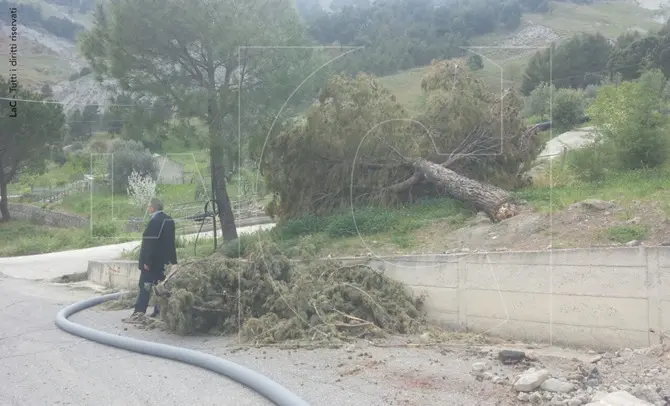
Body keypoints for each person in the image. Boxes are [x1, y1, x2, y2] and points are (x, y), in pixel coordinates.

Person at [128, 197, 177, 321]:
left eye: (149, 206)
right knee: (161, 287)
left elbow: (150, 244)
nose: (147, 208)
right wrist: (172, 262)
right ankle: (159, 311)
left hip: (152, 264)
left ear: (152, 208)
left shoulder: (154, 221)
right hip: (165, 263)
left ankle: (139, 312)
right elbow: (171, 244)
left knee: (145, 287)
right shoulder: (169, 220)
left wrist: (146, 262)